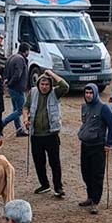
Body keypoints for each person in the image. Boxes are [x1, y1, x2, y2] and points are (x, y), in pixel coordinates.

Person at [23, 69, 68, 198]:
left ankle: (58, 187)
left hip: (51, 134)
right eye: (42, 84)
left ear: (50, 85)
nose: (44, 87)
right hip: (36, 134)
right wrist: (25, 118)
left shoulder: (55, 93)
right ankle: (44, 184)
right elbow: (25, 106)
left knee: (55, 162)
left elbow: (65, 86)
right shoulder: (33, 92)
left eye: (47, 84)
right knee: (39, 162)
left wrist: (51, 73)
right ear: (38, 84)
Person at [75, 82, 112, 213]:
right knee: (86, 173)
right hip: (85, 144)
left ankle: (95, 202)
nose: (88, 95)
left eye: (91, 93)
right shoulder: (84, 107)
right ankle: (90, 197)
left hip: (98, 146)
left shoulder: (103, 108)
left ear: (95, 93)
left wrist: (109, 143)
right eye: (86, 93)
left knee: (97, 175)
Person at [1, 43, 30, 137]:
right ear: (26, 51)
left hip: (12, 88)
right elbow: (18, 75)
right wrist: (10, 83)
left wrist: (7, 82)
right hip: (17, 88)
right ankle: (2, 123)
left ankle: (19, 130)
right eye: (28, 51)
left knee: (16, 109)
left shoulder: (11, 57)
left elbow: (5, 71)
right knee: (21, 110)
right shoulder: (20, 59)